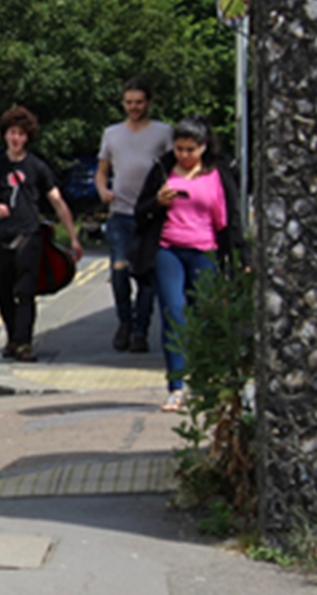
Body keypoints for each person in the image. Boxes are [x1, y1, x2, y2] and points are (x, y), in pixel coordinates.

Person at [132, 117, 245, 413]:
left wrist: (240, 257)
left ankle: (206, 382)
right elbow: (139, 211)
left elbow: (232, 218)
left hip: (205, 249)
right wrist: (157, 201)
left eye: (190, 149)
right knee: (174, 313)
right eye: (179, 149)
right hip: (168, 248)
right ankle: (176, 387)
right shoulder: (162, 169)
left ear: (204, 147)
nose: (184, 155)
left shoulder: (218, 172)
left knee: (205, 314)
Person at [0, 106, 84, 363]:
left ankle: (24, 343)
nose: (16, 138)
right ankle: (13, 337)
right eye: (12, 132)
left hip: (30, 235)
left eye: (21, 134)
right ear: (5, 134)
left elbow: (57, 201)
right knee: (1, 289)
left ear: (28, 137)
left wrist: (73, 237)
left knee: (25, 291)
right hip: (1, 234)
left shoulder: (37, 166)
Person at [95, 77, 172, 353]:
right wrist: (103, 189)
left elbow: (173, 170)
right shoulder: (112, 133)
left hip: (151, 213)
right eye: (129, 102)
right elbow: (102, 170)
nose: (134, 107)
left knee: (146, 274)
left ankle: (141, 330)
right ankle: (124, 322)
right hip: (120, 212)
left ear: (149, 103)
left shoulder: (164, 133)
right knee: (120, 268)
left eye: (139, 102)